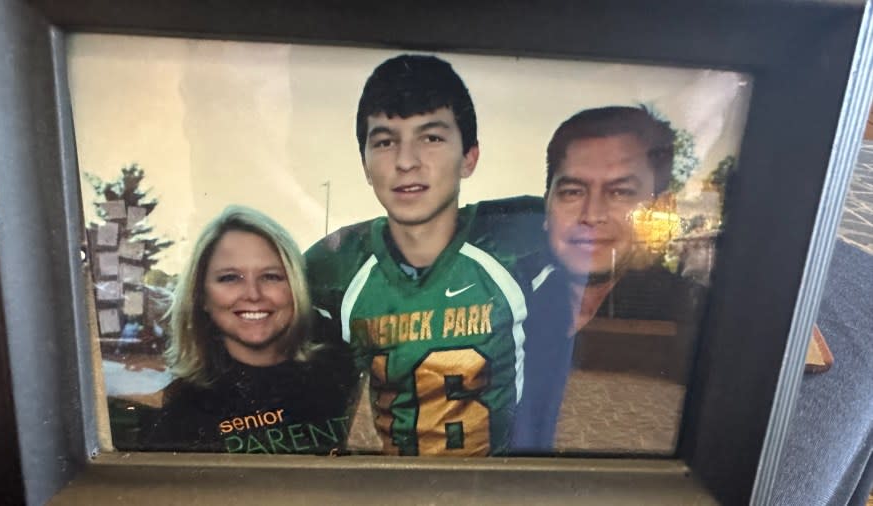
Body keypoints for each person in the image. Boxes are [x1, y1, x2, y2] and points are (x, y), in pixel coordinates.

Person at [305, 54, 542, 456]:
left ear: (470, 157)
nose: (406, 161)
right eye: (384, 141)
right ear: (364, 163)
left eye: (431, 137)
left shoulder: (518, 238)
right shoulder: (334, 265)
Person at [512, 106, 705, 452]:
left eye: (620, 193)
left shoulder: (695, 320)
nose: (592, 214)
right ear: (547, 207)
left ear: (659, 211)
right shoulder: (498, 297)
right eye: (572, 192)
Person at [142, 206, 354, 454]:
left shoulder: (346, 372)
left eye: (271, 276)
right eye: (230, 278)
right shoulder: (182, 414)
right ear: (201, 296)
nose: (253, 294)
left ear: (296, 288)